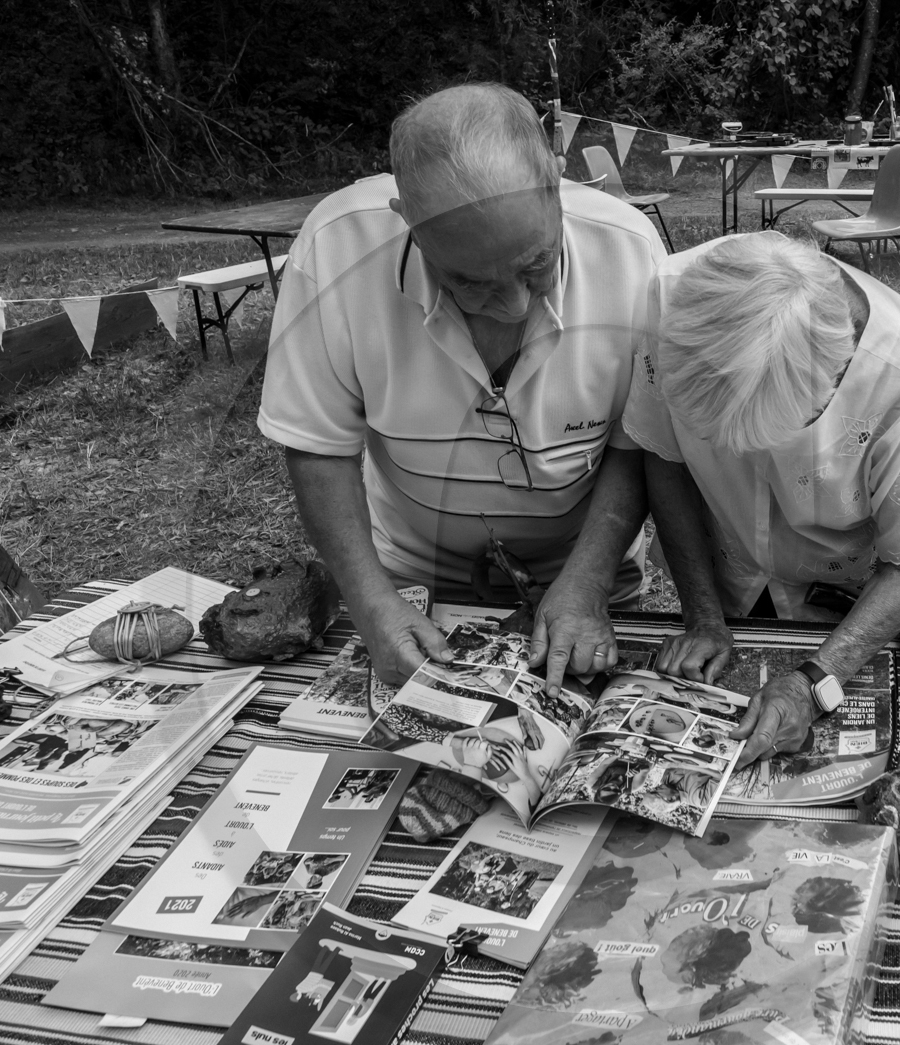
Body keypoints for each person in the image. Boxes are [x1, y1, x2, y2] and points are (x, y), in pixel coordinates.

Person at [258, 84, 665, 690]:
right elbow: (317, 446)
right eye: (468, 281)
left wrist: (586, 582)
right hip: (410, 581)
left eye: (535, 266)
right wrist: (371, 605)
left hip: (584, 571)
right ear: (409, 225)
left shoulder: (631, 254)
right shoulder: (336, 247)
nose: (512, 304)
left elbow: (638, 441)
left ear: (556, 187)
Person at [598, 231, 900, 766]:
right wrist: (703, 616)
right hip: (731, 562)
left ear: (832, 384)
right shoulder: (672, 299)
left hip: (861, 592)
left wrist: (813, 683)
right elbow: (665, 459)